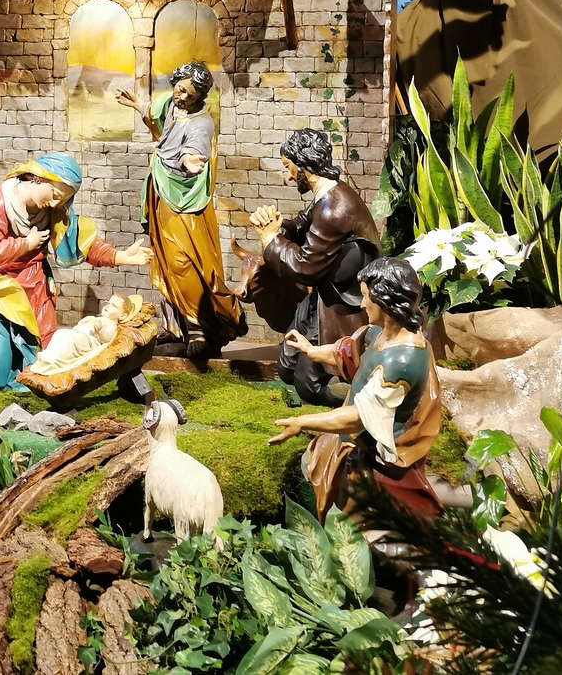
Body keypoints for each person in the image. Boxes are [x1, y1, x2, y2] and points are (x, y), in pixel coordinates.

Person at [0, 152, 151, 391]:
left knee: (47, 364)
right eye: (54, 195)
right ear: (39, 178)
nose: (54, 204)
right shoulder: (1, 200)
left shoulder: (52, 209)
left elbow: (79, 240)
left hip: (33, 288)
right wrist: (26, 244)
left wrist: (120, 256)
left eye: (61, 200)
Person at [268, 257, 444, 520]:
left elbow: (358, 417)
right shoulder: (383, 334)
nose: (361, 304)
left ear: (385, 299)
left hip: (375, 462)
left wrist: (301, 422)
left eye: (365, 297)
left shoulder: (402, 361)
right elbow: (348, 350)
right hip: (353, 442)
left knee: (356, 523)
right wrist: (311, 350)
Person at [115, 61, 244, 358]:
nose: (181, 95)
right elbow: (156, 113)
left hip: (185, 201)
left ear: (200, 96)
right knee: (162, 259)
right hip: (160, 191)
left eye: (189, 93)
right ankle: (175, 327)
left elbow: (193, 148)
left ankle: (199, 326)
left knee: (183, 262)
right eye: (179, 88)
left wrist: (189, 160)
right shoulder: (172, 104)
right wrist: (137, 104)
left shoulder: (202, 123)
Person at [251, 128, 380, 405]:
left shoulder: (335, 208)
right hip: (324, 295)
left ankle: (349, 409)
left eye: (288, 167)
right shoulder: (328, 194)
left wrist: (270, 239)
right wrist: (277, 224)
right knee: (287, 364)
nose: (288, 176)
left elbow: (305, 267)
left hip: (343, 303)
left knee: (308, 383)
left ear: (302, 164)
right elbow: (303, 224)